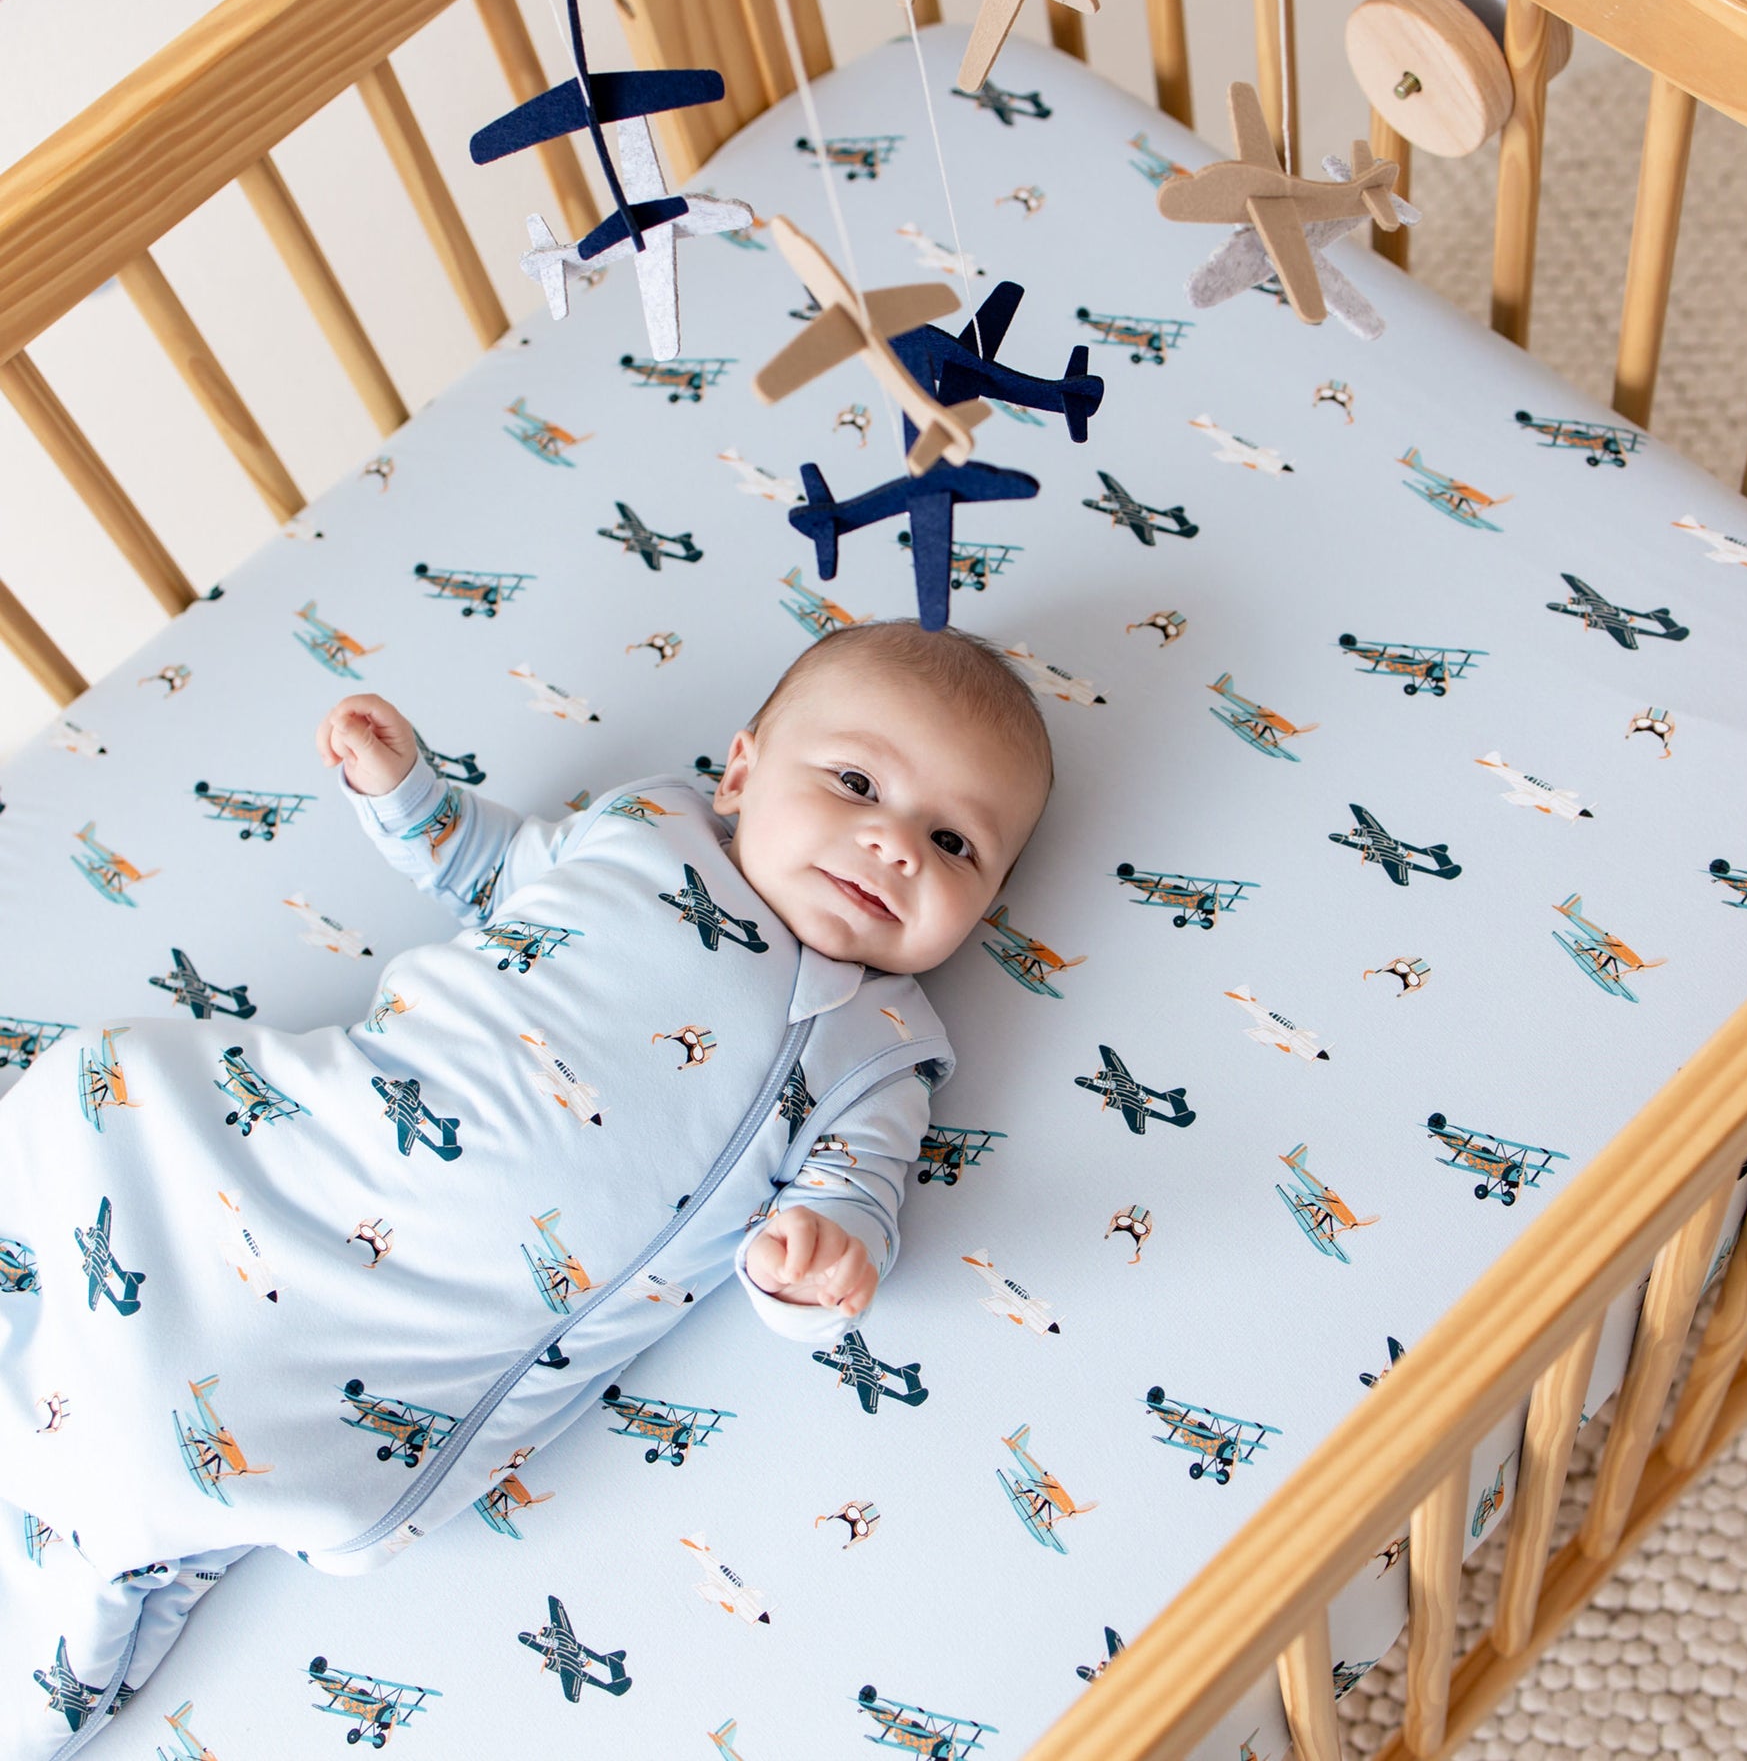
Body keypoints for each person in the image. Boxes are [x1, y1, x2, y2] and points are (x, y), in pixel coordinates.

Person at [0, 618, 1053, 1755]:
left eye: (955, 845)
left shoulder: (881, 1044)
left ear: (985, 904)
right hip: (307, 1141)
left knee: (168, 1445)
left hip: (412, 1321)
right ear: (741, 772)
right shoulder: (648, 829)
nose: (895, 846)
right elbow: (491, 870)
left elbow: (861, 1190)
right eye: (855, 782)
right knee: (103, 1086)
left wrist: (823, 1255)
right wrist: (409, 795)